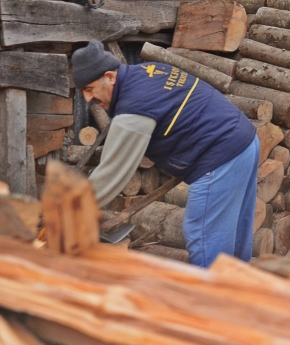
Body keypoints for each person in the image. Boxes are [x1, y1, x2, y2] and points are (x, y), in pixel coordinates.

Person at [71, 40, 259, 268]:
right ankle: (243, 294)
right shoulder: (148, 71)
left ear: (110, 77)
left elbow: (112, 171)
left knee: (204, 238)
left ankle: (210, 300)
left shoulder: (134, 107)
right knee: (235, 239)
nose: (88, 99)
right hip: (245, 142)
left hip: (221, 156)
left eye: (89, 90)